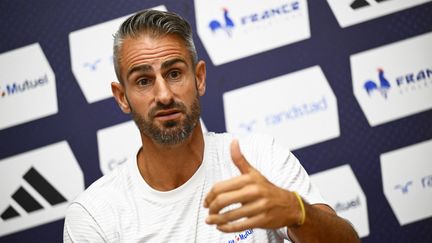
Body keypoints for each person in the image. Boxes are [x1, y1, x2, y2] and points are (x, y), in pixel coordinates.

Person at [63, 9, 359, 242]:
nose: (164, 95)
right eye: (143, 81)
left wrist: (297, 212)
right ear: (122, 97)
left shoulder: (260, 157)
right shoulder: (94, 216)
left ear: (199, 77)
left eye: (175, 73)